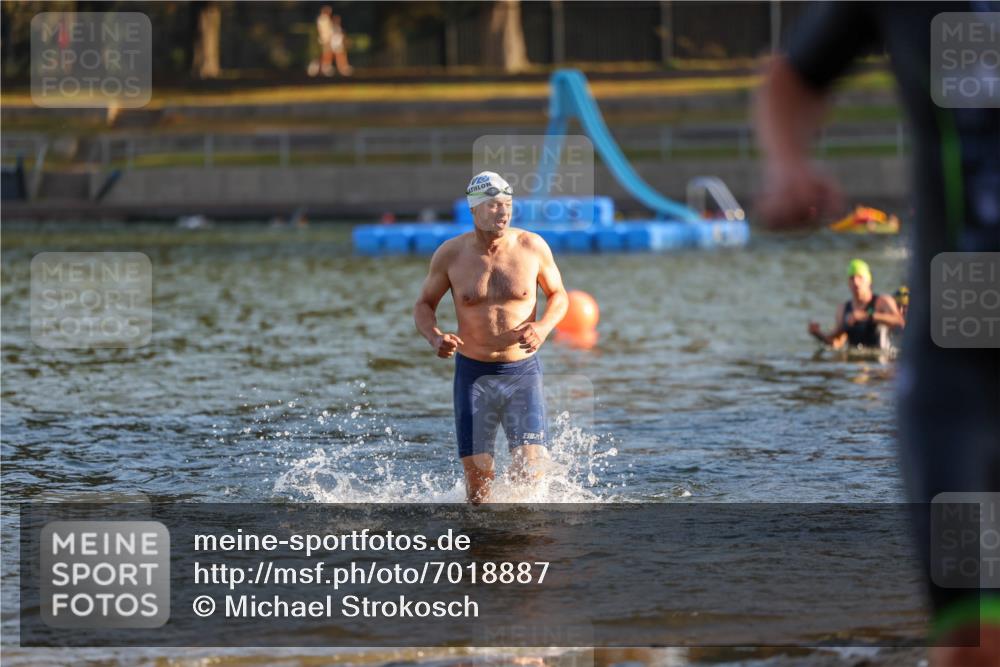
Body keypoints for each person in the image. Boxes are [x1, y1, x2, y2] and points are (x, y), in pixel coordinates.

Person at [755, 3, 999, 665]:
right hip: (960, 362)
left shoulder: (880, 304)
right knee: (973, 635)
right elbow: (793, 78)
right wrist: (787, 167)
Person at [414, 171, 569, 504]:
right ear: (474, 210)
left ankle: (522, 537)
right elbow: (424, 304)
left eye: (508, 204)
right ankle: (483, 545)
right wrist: (434, 337)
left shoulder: (532, 246)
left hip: (522, 373)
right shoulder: (450, 255)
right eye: (495, 205)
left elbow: (559, 295)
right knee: (479, 482)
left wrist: (542, 328)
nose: (503, 212)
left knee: (531, 468)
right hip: (474, 375)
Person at [808, 258, 905, 350]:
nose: (855, 282)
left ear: (869, 280)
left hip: (880, 362)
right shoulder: (843, 309)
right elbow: (836, 344)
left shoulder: (882, 302)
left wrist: (867, 316)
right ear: (848, 283)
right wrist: (818, 334)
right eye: (852, 278)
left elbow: (899, 322)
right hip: (853, 364)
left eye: (860, 277)